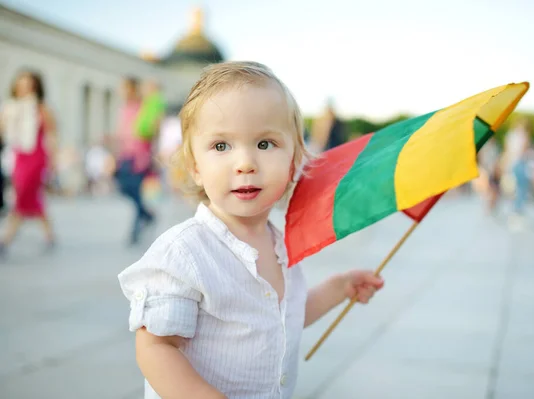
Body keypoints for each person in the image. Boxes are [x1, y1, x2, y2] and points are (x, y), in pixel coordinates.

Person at [117, 61, 384, 399]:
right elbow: (156, 348)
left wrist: (339, 287)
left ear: (294, 160)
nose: (245, 163)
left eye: (264, 144)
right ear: (195, 167)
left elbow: (280, 319)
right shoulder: (184, 253)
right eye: (221, 146)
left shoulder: (282, 243)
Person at [0, 71, 57, 256]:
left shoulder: (41, 108)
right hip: (18, 156)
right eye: (21, 84)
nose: (24, 88)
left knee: (23, 193)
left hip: (37, 156)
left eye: (28, 85)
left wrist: (53, 160)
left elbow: (53, 133)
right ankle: (49, 234)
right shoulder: (10, 108)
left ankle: (6, 238)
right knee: (30, 197)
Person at [113, 76, 156, 245]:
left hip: (139, 155)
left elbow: (150, 130)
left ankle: (135, 230)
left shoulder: (143, 107)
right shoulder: (123, 108)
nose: (122, 92)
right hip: (125, 154)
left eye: (125, 88)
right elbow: (121, 133)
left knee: (136, 190)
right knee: (123, 187)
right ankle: (147, 214)